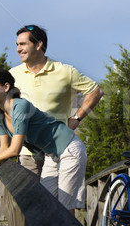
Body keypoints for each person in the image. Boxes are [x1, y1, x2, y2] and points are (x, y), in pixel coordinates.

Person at [0, 69, 87, 215]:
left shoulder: (20, 106)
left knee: (65, 207)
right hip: (51, 155)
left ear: (6, 87)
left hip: (69, 149)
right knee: (47, 204)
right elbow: (4, 150)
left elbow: (15, 150)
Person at [10, 25, 103, 176]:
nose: (18, 49)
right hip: (27, 152)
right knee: (29, 199)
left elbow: (96, 91)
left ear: (39, 45)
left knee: (58, 198)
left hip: (58, 149)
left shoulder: (65, 71)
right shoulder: (12, 75)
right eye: (17, 45)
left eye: (23, 44)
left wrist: (77, 118)